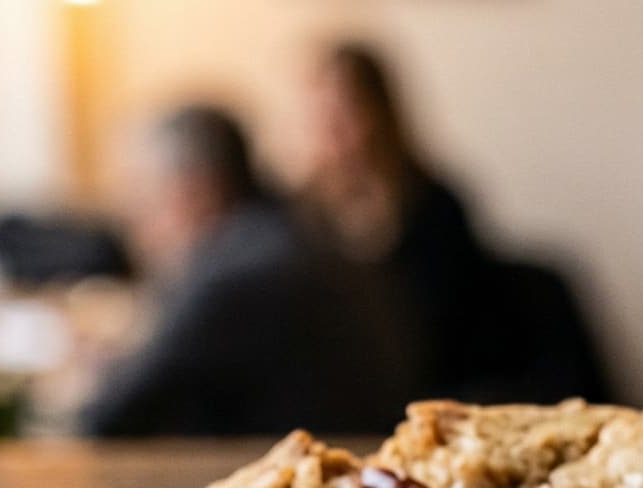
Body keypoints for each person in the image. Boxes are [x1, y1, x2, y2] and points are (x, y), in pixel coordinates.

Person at [298, 42, 612, 404]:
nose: (334, 131)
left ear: (380, 113)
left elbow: (452, 317)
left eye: (346, 112)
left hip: (434, 384)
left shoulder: (434, 202)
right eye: (321, 116)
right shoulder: (293, 215)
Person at [79, 106, 414, 438]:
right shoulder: (287, 231)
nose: (135, 225)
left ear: (194, 190)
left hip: (312, 477)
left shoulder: (230, 277)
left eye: (144, 196)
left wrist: (95, 372)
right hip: (360, 457)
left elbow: (104, 417)